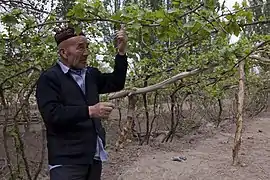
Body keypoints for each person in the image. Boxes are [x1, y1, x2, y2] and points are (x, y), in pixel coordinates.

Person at [35, 25, 128, 180]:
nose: (86, 53)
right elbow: (52, 114)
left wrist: (121, 52)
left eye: (87, 47)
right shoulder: (50, 78)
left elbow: (116, 83)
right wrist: (90, 111)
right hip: (66, 162)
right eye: (80, 48)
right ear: (63, 52)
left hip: (93, 156)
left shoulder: (91, 74)